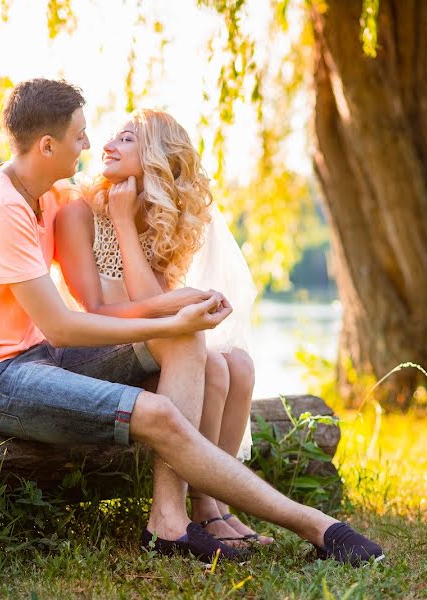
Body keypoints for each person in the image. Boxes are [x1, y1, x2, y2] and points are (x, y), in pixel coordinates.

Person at [0, 77, 383, 565]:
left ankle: (168, 522)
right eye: (80, 136)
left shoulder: (48, 198)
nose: (90, 146)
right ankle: (318, 526)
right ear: (47, 145)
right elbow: (63, 325)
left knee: (188, 345)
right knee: (161, 403)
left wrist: (174, 317)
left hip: (34, 360)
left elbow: (74, 319)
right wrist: (164, 322)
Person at [54, 108, 270, 546]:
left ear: (155, 157)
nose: (108, 146)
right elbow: (95, 309)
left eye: (128, 139)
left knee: (237, 365)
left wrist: (129, 227)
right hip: (91, 353)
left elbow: (151, 305)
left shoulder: (155, 221)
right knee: (208, 360)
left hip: (143, 348)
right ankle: (199, 511)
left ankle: (211, 505)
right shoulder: (79, 211)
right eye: (113, 137)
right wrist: (116, 220)